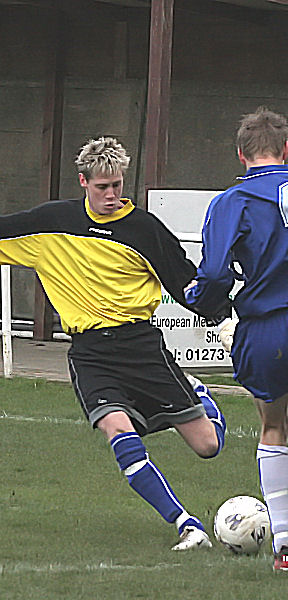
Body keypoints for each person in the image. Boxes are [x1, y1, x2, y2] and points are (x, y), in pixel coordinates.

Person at [0, 136, 228, 551]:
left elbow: (186, 283)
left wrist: (224, 317)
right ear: (83, 182)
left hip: (141, 347)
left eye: (117, 185)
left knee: (207, 446)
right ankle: (187, 526)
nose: (112, 195)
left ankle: (195, 389)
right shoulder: (53, 221)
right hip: (90, 354)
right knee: (117, 430)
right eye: (102, 186)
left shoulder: (144, 230)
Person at [184, 107, 288, 571]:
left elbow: (212, 273)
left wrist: (206, 303)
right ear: (286, 150)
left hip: (267, 328)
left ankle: (284, 546)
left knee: (275, 428)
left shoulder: (233, 201)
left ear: (240, 154)